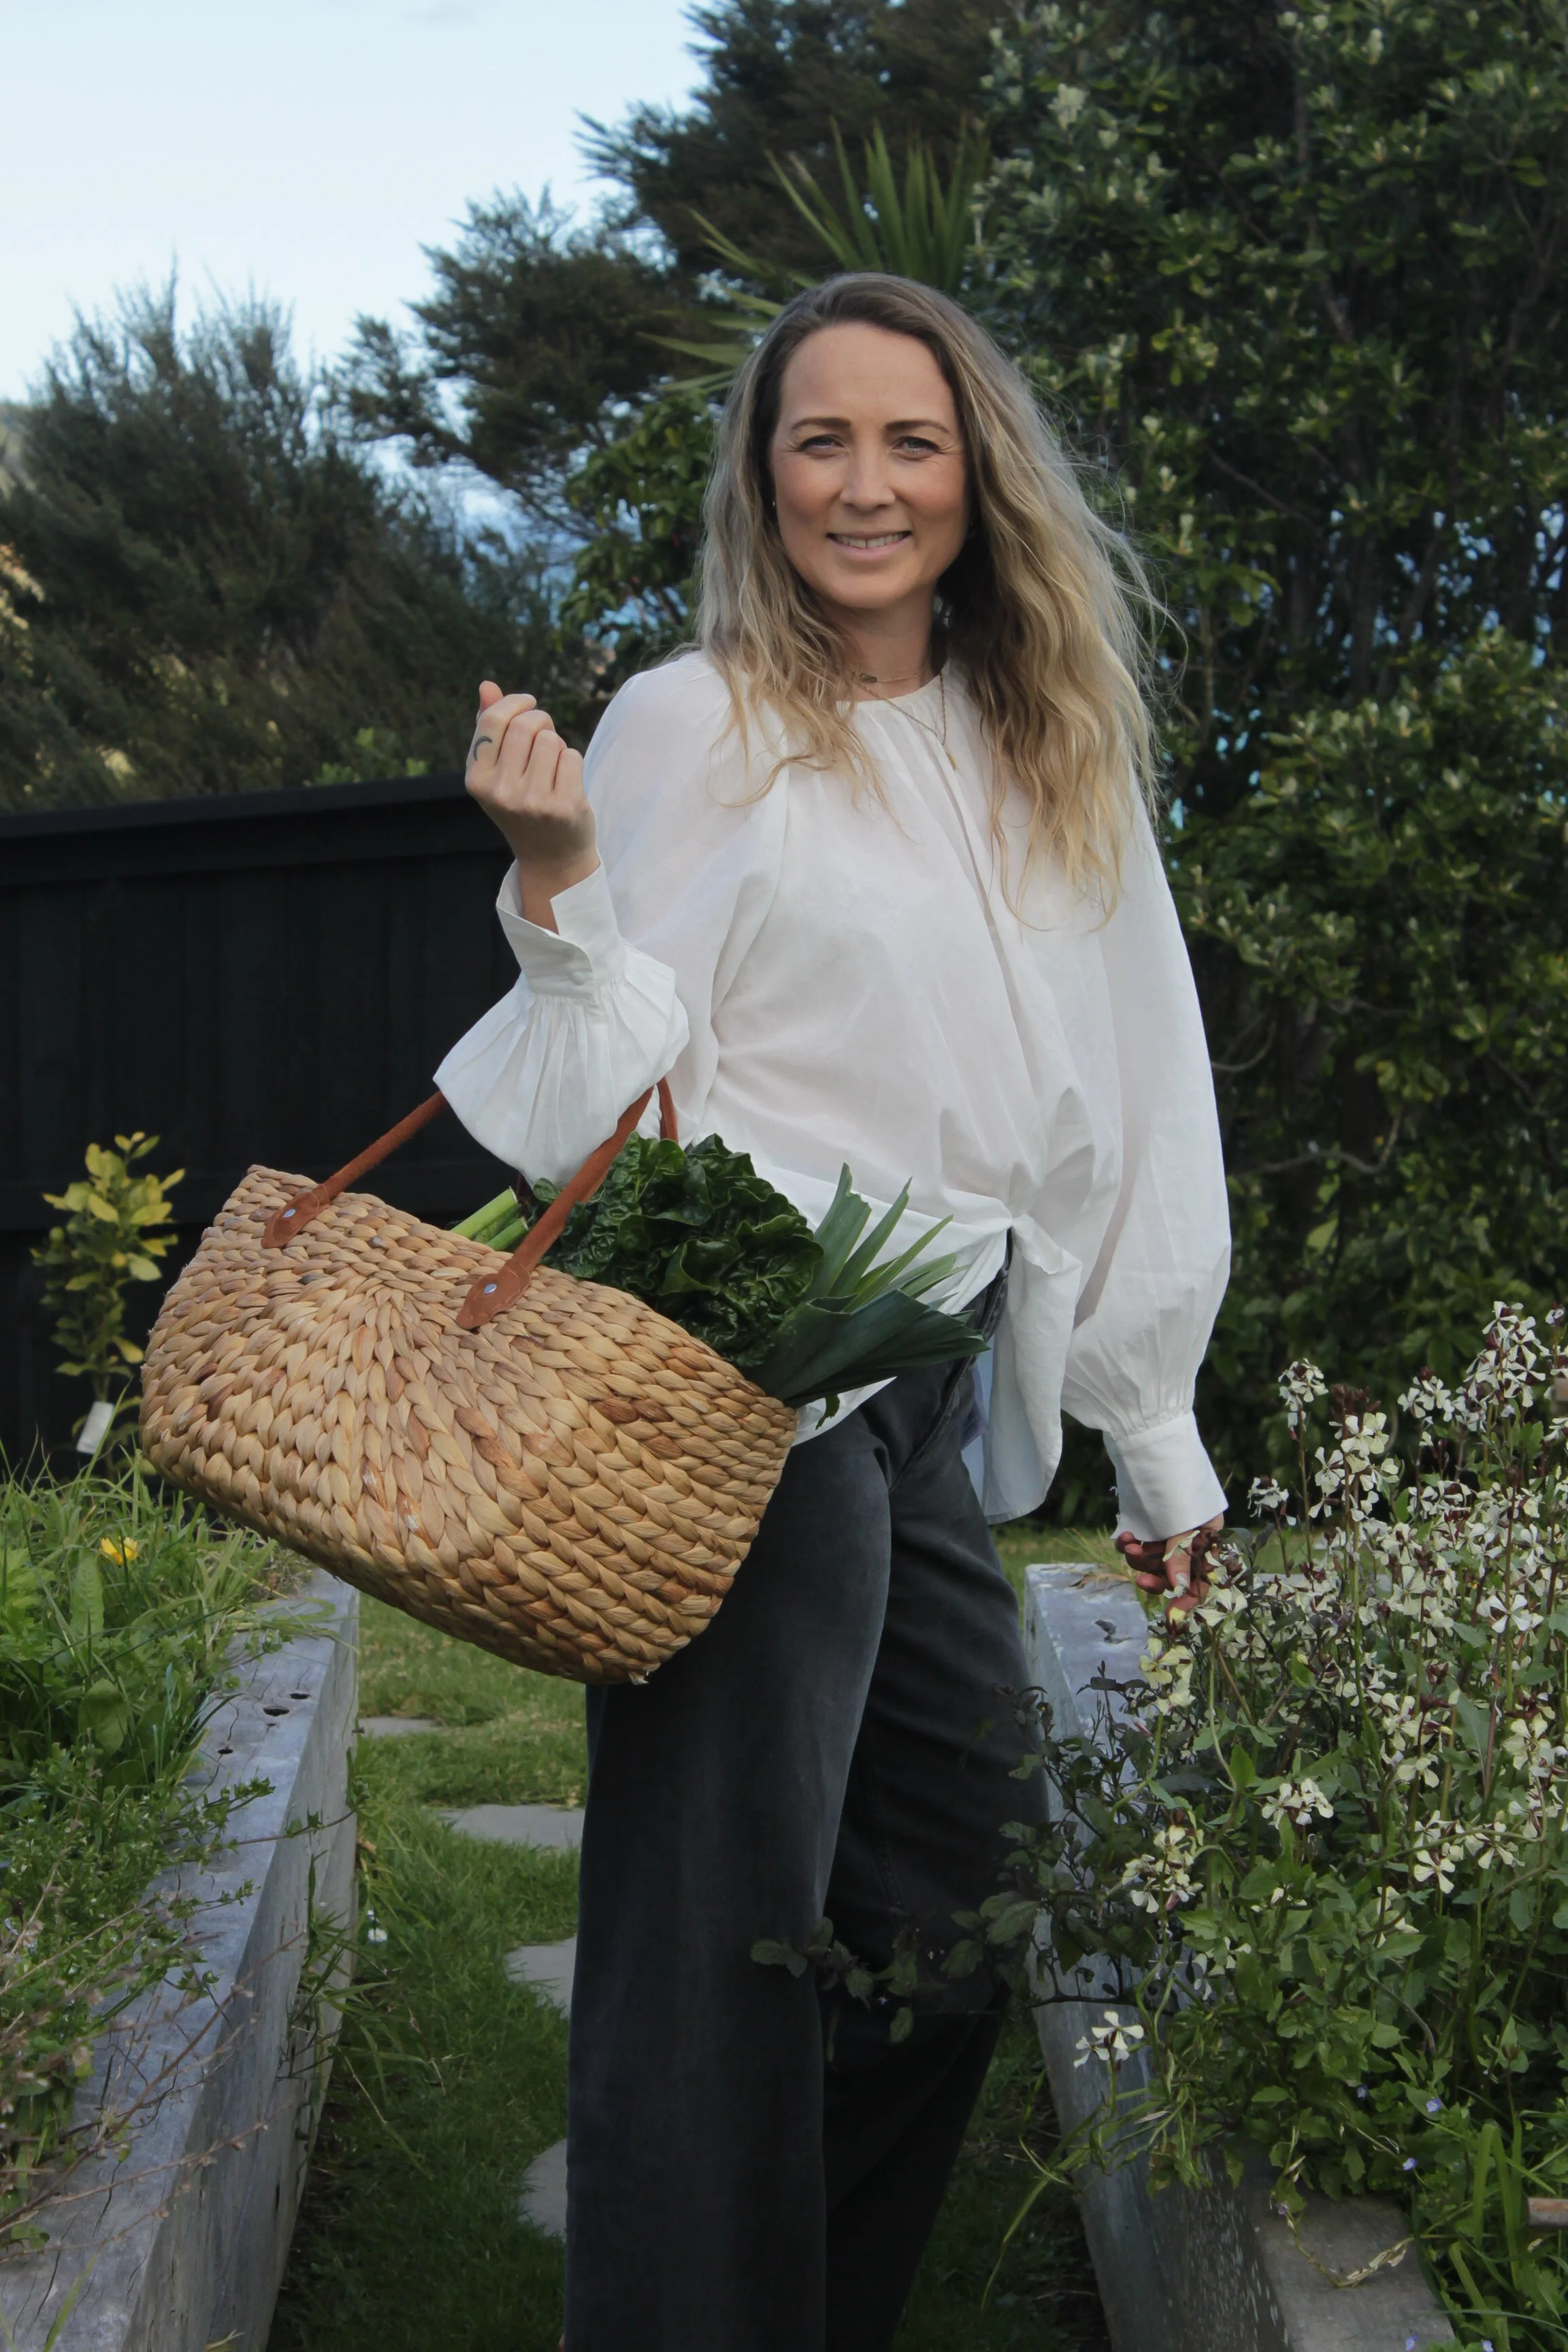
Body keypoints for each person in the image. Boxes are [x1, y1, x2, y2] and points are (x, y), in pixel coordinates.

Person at [440, 272, 1229, 2351]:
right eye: (820, 439)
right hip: (751, 1363)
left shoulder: (1048, 738)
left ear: (978, 473)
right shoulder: (698, 720)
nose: (863, 484)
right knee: (716, 1949)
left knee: (961, 1911)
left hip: (935, 1368)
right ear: (762, 471)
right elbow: (599, 1096)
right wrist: (553, 885)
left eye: (909, 439)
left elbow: (1136, 1078)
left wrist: (1155, 1428)